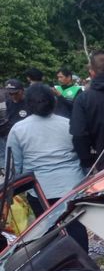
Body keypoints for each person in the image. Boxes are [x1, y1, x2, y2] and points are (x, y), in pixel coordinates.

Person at [7, 84, 88, 251]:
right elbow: (82, 153)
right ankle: (84, 264)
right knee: (76, 226)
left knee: (49, 231)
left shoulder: (18, 130)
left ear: (28, 104)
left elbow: (14, 165)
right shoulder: (68, 124)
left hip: (39, 190)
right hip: (72, 186)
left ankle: (57, 266)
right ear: (54, 102)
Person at [1, 80, 29, 166]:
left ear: (22, 91)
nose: (13, 96)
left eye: (15, 93)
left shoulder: (29, 103)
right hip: (10, 134)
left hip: (25, 136)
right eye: (10, 94)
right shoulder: (8, 102)